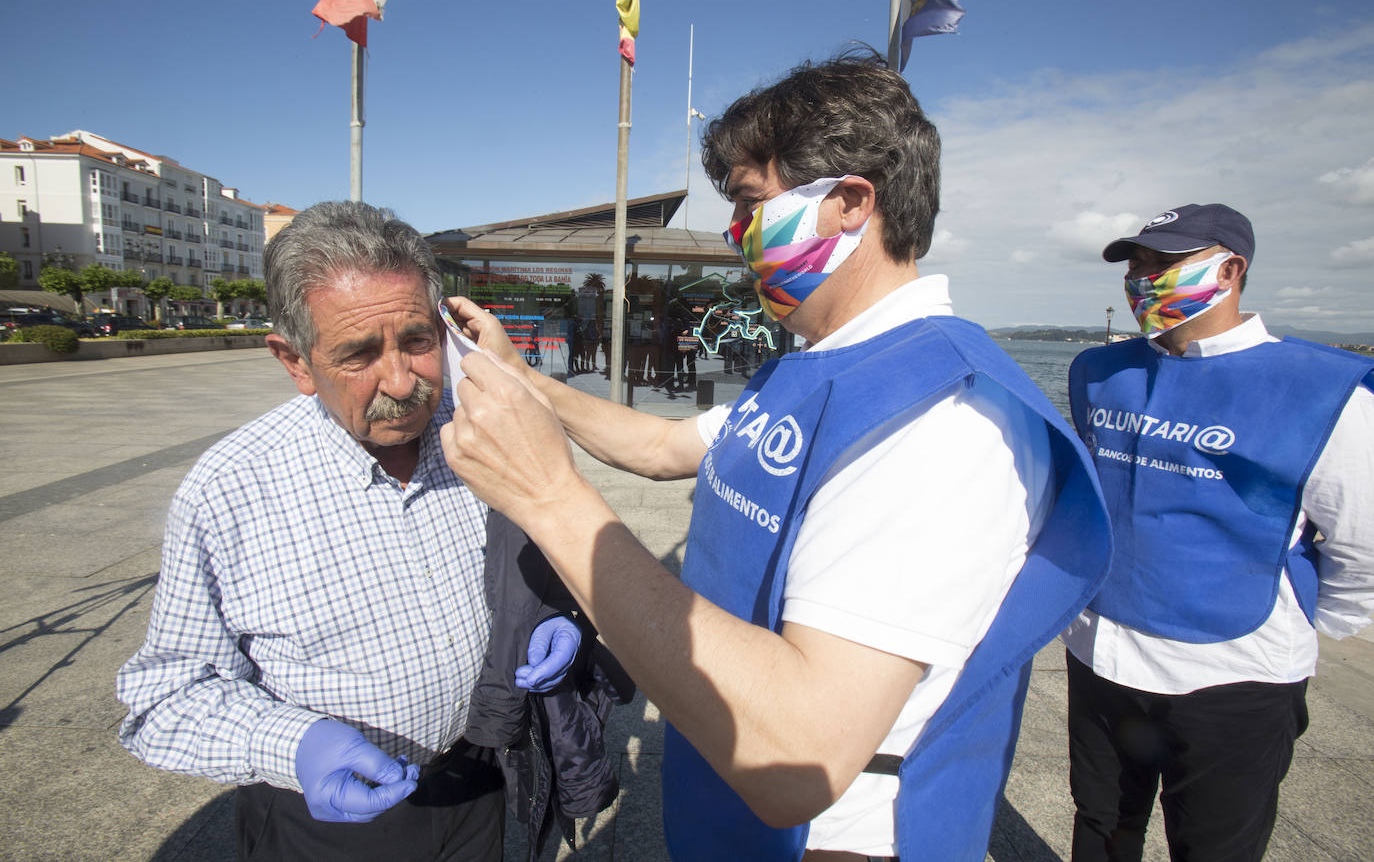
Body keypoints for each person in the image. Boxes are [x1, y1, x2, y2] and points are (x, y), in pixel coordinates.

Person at [437, 51, 1112, 861]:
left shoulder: (941, 419)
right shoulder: (814, 363)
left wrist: (550, 498)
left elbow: (802, 749)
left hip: (837, 834)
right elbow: (659, 446)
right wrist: (522, 377)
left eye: (752, 205)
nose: (736, 235)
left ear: (851, 203)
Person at [115, 201, 582, 860]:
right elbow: (164, 697)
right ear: (295, 362)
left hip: (479, 784)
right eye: (360, 353)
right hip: (326, 828)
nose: (403, 381)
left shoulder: (482, 431)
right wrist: (292, 745)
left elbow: (537, 554)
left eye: (418, 341)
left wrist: (554, 615)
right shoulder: (230, 490)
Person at [1064, 203, 1374, 861]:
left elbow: (1361, 539)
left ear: (1231, 269)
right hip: (1102, 655)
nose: (1143, 278)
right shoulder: (1101, 372)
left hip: (1234, 677)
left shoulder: (1323, 391)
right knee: (1100, 827)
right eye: (1137, 264)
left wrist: (1318, 621)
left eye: (1165, 263)